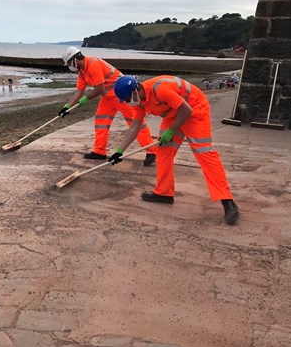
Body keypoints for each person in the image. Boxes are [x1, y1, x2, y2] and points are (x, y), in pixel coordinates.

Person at [108, 75, 240, 225]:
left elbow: (186, 110)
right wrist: (120, 151)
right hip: (175, 114)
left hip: (194, 109)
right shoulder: (139, 102)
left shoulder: (160, 89)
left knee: (204, 153)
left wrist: (171, 131)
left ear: (135, 91)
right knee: (163, 150)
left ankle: (228, 202)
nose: (127, 103)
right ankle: (164, 193)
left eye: (126, 99)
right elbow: (134, 127)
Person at [58, 47, 157, 166]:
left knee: (136, 122)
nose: (69, 66)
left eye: (69, 63)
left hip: (122, 95)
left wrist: (86, 99)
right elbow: (79, 91)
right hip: (107, 97)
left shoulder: (93, 63)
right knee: (101, 122)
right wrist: (67, 106)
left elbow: (100, 88)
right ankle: (99, 151)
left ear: (75, 59)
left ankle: (152, 151)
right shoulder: (82, 73)